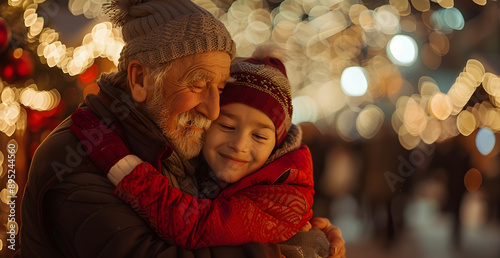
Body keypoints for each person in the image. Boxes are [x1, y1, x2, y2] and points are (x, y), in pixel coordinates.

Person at [20, 0, 345, 257]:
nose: (213, 109)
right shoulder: (78, 157)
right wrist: (284, 249)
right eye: (198, 83)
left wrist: (305, 231)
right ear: (140, 79)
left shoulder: (179, 140)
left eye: (219, 89)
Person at [69, 46, 325, 252]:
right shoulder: (200, 165)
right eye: (226, 125)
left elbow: (196, 226)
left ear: (277, 146)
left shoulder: (282, 196)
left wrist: (122, 165)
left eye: (259, 135)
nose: (239, 144)